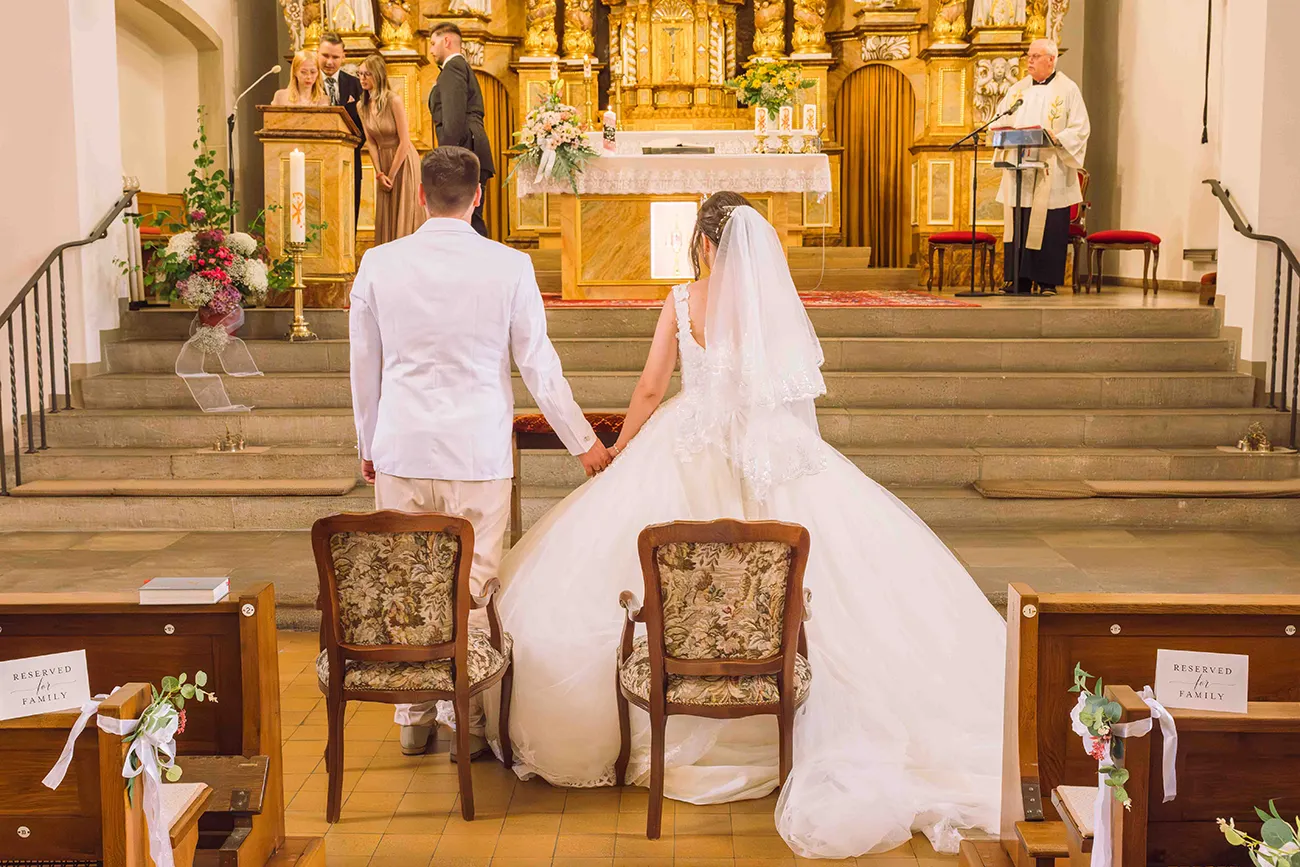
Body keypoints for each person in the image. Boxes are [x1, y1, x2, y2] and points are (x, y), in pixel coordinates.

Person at [489, 193, 1007, 858]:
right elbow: (788, 392)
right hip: (768, 450)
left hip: (684, 438)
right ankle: (776, 710)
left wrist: (619, 454)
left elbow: (650, 388)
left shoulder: (683, 301)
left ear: (703, 245)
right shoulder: (769, 306)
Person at [348, 146, 613, 760]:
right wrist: (584, 443)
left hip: (404, 445)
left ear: (419, 195)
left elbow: (365, 364)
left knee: (406, 579)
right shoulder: (510, 265)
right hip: (476, 451)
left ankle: (413, 712)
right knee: (471, 587)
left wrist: (369, 441)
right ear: (479, 198)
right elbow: (538, 367)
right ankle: (463, 714)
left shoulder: (379, 262)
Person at [993, 38, 1090, 296]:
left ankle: (1047, 282)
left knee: (1048, 227)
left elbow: (1081, 129)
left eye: (1036, 56)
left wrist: (1057, 138)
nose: (1030, 60)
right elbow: (1000, 118)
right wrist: (1000, 132)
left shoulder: (1068, 90)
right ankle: (1018, 280)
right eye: (1029, 55)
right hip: (1020, 170)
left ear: (1051, 60)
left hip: (1050, 169)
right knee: (1019, 224)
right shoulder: (1017, 90)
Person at [427, 22, 495, 237]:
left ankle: (483, 266)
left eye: (433, 43)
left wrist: (446, 159)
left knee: (466, 220)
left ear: (446, 41)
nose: (430, 50)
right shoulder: (459, 67)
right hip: (470, 147)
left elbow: (453, 118)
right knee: (469, 217)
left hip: (463, 151)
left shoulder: (453, 67)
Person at [357, 54, 423, 244]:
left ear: (378, 75)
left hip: (403, 160)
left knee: (405, 213)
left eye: (367, 74)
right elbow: (370, 142)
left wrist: (392, 175)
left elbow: (404, 140)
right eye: (360, 74)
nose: (362, 79)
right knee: (387, 213)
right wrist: (379, 174)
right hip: (383, 164)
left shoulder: (394, 101)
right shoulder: (362, 106)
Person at [317, 32, 365, 224]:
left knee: (347, 218)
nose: (330, 62)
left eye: (335, 57)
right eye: (325, 56)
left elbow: (363, 127)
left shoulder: (356, 85)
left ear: (343, 57)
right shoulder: (307, 82)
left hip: (350, 162)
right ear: (317, 53)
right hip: (316, 160)